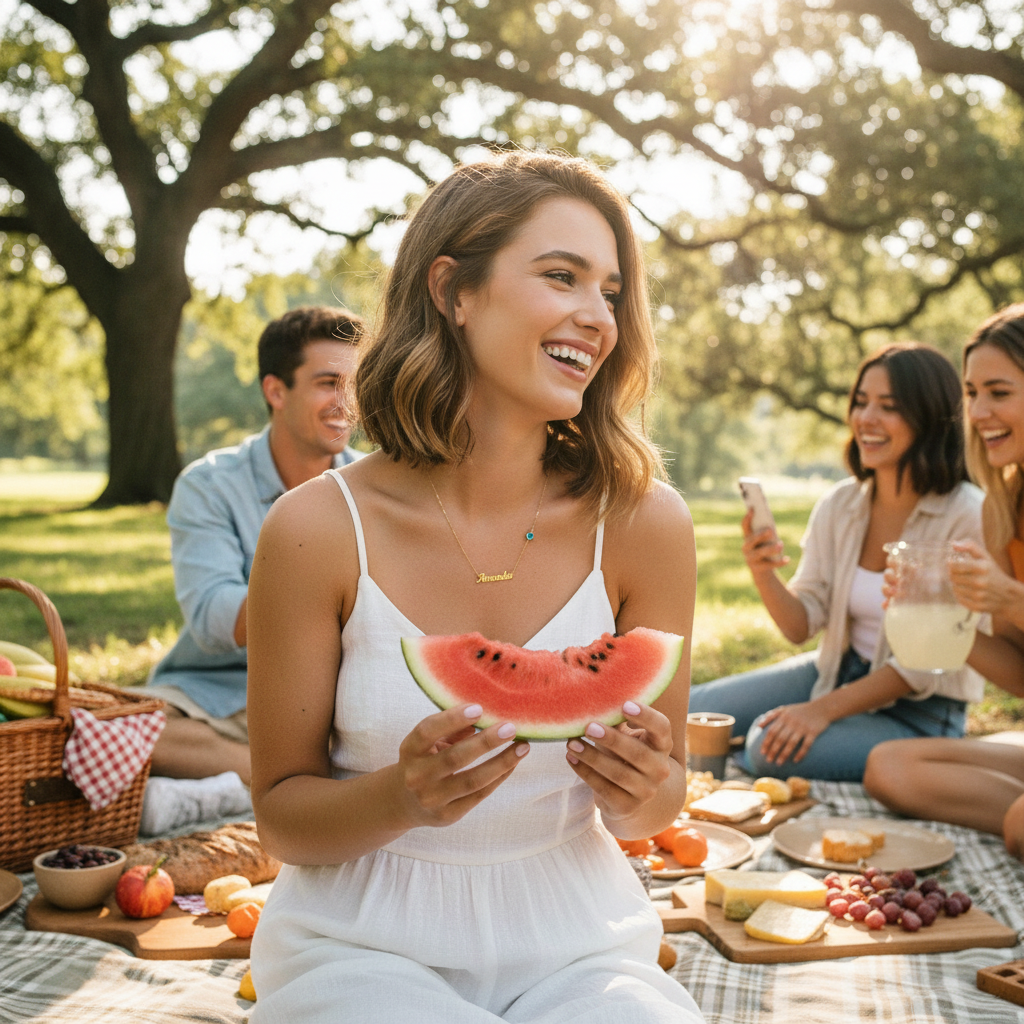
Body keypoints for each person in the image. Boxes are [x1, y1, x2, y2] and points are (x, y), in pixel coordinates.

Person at [246, 152, 703, 1023]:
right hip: (359, 943)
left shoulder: (646, 522)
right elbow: (281, 819)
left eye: (610, 291)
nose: (596, 317)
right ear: (454, 290)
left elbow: (665, 794)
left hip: (581, 942)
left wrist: (644, 791)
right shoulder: (314, 529)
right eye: (561, 275)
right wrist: (400, 797)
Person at [689, 343, 985, 781]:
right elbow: (800, 627)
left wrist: (819, 712)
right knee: (691, 709)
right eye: (861, 402)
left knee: (765, 750)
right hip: (833, 671)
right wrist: (764, 572)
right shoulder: (840, 505)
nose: (866, 418)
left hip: (920, 711)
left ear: (930, 417)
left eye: (889, 407)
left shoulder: (967, 514)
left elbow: (921, 665)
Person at [140, 306, 364, 835]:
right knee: (130, 730)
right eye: (328, 382)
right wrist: (308, 596)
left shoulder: (373, 487)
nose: (345, 402)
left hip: (334, 690)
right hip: (219, 694)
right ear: (275, 390)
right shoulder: (208, 485)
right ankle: (276, 779)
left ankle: (219, 789)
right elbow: (212, 616)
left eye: (353, 384)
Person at [865, 305, 1024, 857]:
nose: (979, 412)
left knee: (1021, 826)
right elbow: (1019, 675)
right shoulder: (1006, 510)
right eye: (972, 393)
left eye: (999, 392)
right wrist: (952, 613)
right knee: (890, 767)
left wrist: (1011, 599)